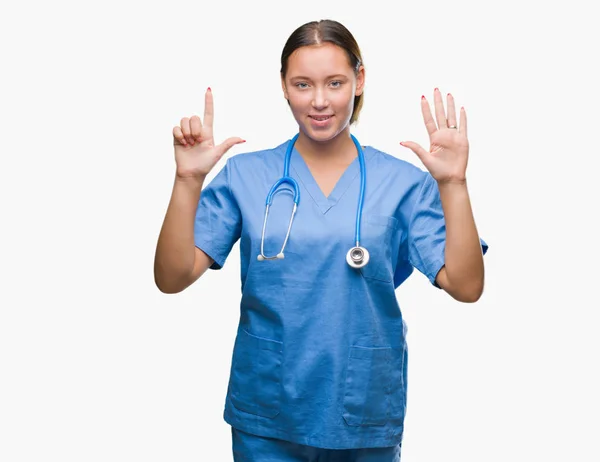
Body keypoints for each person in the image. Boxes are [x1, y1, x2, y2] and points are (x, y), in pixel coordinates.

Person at [154, 18, 488, 462]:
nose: (319, 101)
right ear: (283, 86)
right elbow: (172, 278)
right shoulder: (246, 176)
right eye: (302, 84)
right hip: (267, 414)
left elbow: (466, 287)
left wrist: (454, 185)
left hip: (363, 412)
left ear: (359, 80)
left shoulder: (404, 183)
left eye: (335, 83)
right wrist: (187, 180)